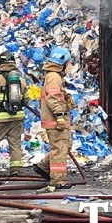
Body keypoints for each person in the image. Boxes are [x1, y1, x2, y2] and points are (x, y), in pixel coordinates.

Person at [34, 46, 74, 192]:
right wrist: (59, 116)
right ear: (62, 63)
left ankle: (43, 167)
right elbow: (53, 97)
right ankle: (57, 181)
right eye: (68, 63)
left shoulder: (53, 77)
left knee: (63, 147)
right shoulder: (54, 77)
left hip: (56, 120)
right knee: (60, 150)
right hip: (56, 121)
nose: (70, 66)